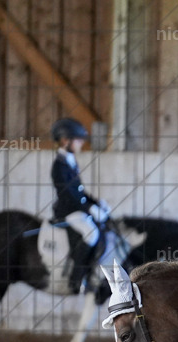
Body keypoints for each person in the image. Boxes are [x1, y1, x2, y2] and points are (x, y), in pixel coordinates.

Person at [50, 118, 114, 293]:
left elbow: (79, 191)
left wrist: (96, 203)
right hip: (68, 211)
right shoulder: (59, 165)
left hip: (78, 208)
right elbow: (69, 195)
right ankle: (75, 279)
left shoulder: (70, 161)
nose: (80, 144)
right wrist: (90, 209)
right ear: (65, 141)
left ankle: (90, 272)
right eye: (77, 140)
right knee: (91, 233)